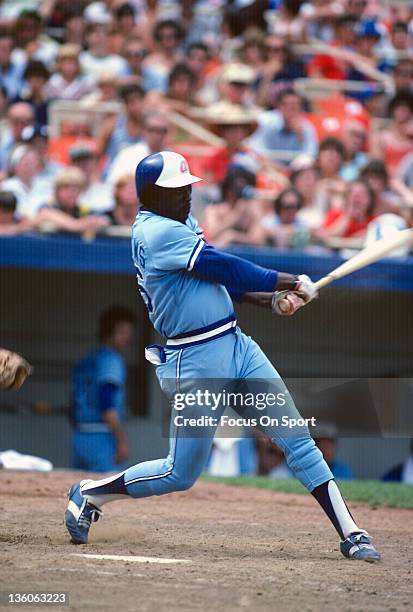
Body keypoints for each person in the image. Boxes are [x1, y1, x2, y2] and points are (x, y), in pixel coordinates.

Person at [65, 150, 380, 563]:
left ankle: (351, 532)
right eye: (176, 190)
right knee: (180, 473)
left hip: (236, 345)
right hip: (194, 363)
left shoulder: (179, 221)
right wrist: (287, 278)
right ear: (151, 195)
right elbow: (222, 265)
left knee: (298, 440)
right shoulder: (155, 232)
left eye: (187, 188)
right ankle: (89, 494)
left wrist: (268, 299)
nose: (186, 196)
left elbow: (214, 280)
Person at [70, 306, 135, 472]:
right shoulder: (111, 359)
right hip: (103, 437)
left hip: (80, 435)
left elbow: (71, 403)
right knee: (111, 491)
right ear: (109, 332)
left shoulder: (88, 359)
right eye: (123, 332)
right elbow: (107, 403)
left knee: (79, 490)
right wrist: (122, 440)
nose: (128, 338)